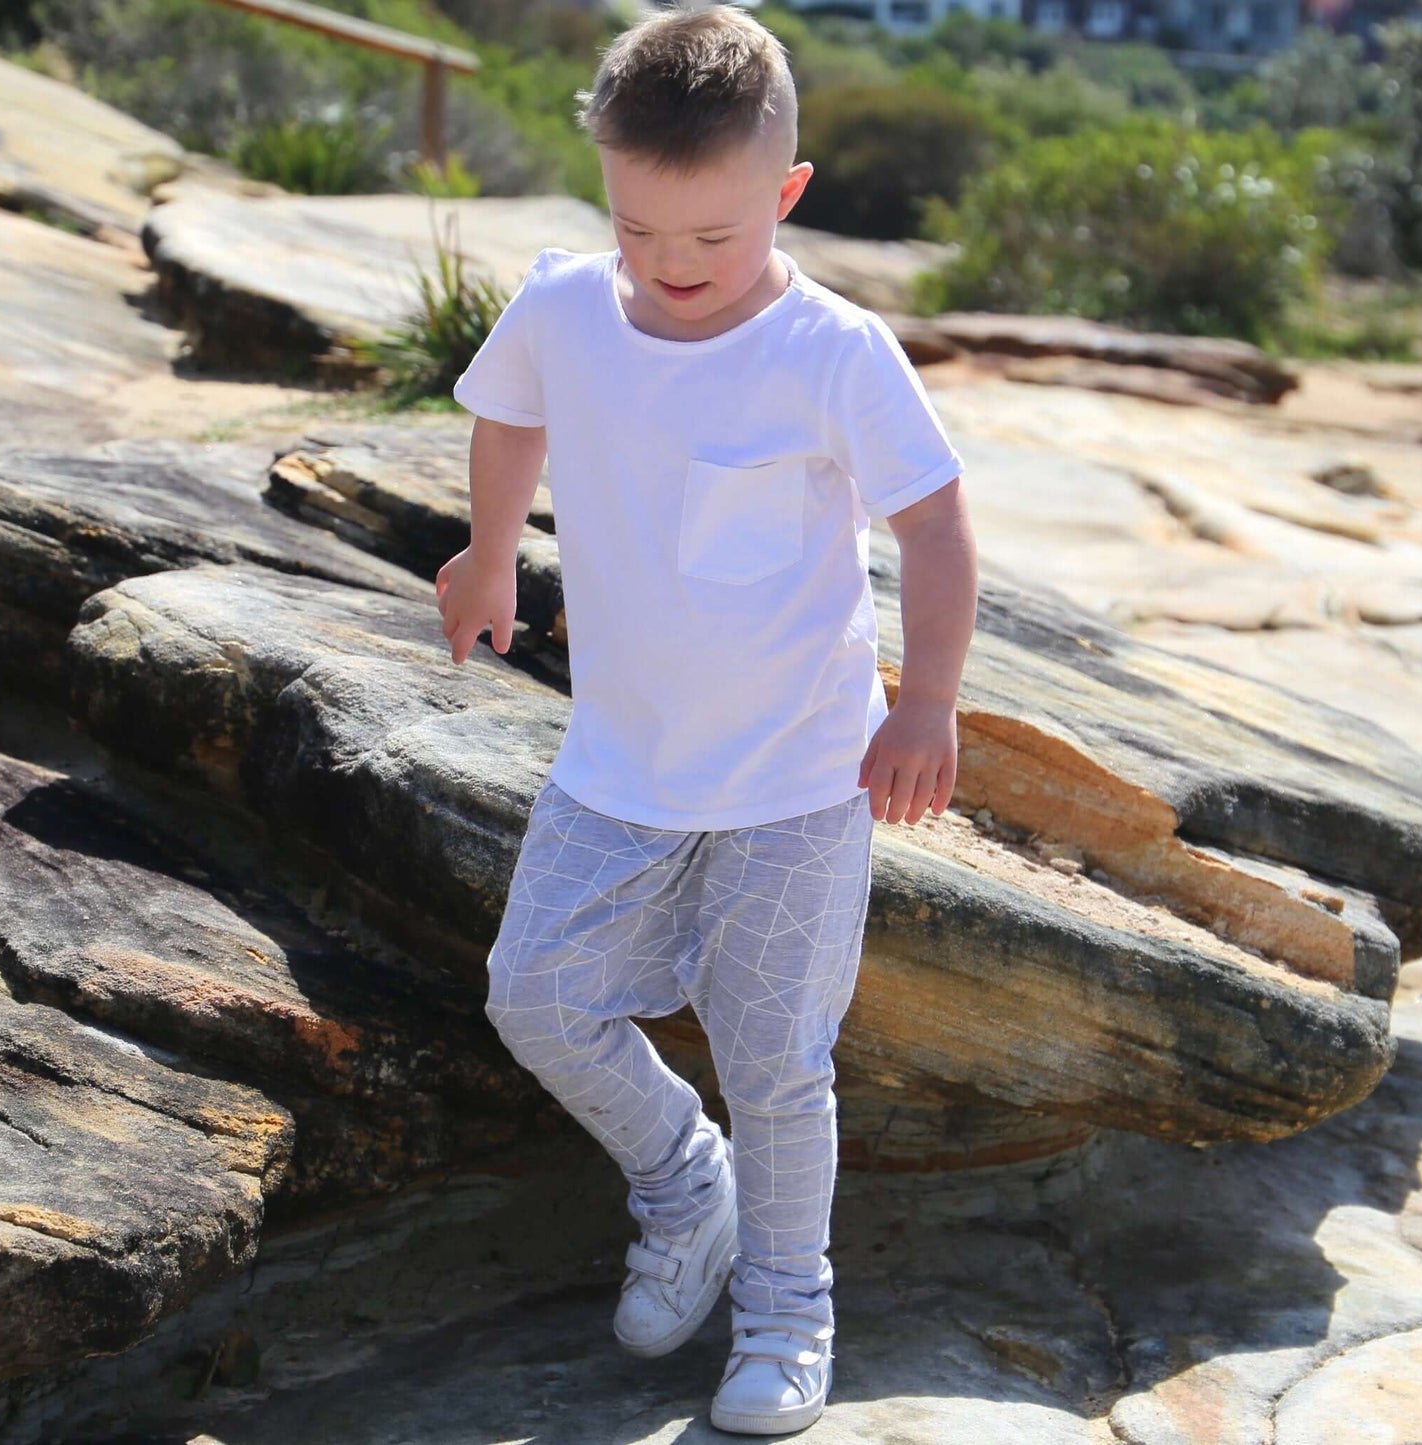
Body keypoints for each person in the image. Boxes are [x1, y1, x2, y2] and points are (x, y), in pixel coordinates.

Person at [436, 4, 977, 1433]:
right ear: (604, 190)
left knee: (777, 1067)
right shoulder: (561, 302)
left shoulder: (833, 349)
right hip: (618, 762)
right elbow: (509, 412)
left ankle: (787, 1314)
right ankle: (687, 1184)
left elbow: (931, 523)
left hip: (797, 782)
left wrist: (924, 700)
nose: (672, 269)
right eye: (640, 233)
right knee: (534, 992)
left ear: (784, 193)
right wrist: (489, 549)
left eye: (712, 241)